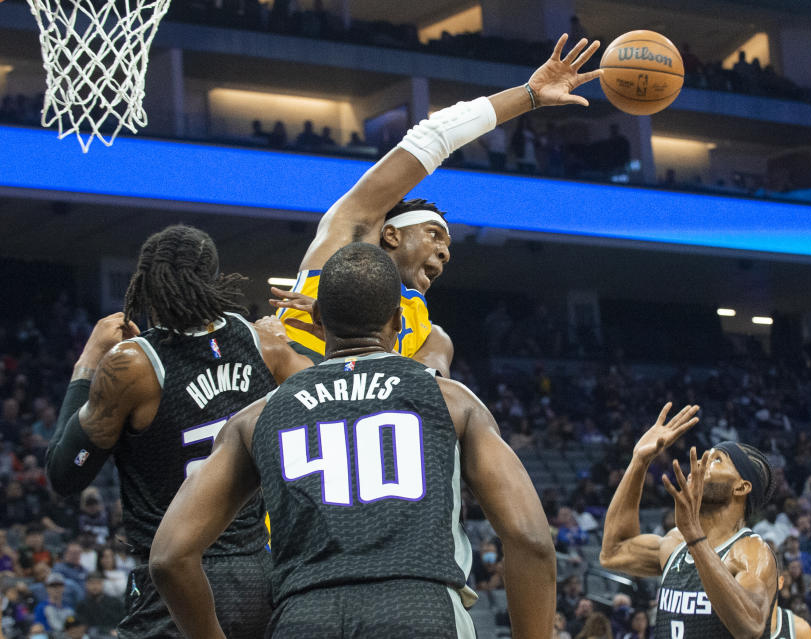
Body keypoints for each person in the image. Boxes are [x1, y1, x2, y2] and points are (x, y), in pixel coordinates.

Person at [150, 243, 556, 638]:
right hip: (420, 607)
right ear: (397, 321)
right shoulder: (450, 400)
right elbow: (531, 540)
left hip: (303, 614)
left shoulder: (256, 416)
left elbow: (169, 558)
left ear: (318, 320)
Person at [272, 33, 603, 377]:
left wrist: (346, 330)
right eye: (434, 235)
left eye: (446, 247)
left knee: (441, 347)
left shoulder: (423, 328)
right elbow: (432, 137)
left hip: (365, 420)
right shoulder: (345, 242)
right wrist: (529, 96)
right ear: (390, 235)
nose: (445, 254)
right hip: (281, 414)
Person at [44, 225, 311, 639]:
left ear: (146, 284)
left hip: (171, 582)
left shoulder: (131, 365)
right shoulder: (265, 346)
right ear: (215, 279)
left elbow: (65, 474)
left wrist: (89, 359)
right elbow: (329, 400)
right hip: (255, 577)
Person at [599, 405, 779, 639]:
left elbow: (751, 626)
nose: (702, 461)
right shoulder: (675, 542)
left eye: (716, 460)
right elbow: (612, 552)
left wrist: (695, 537)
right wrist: (639, 461)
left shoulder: (751, 552)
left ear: (741, 486)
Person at [772, 574, 811, 639]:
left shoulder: (805, 615)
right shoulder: (784, 617)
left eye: (800, 603)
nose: (798, 606)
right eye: (796, 603)